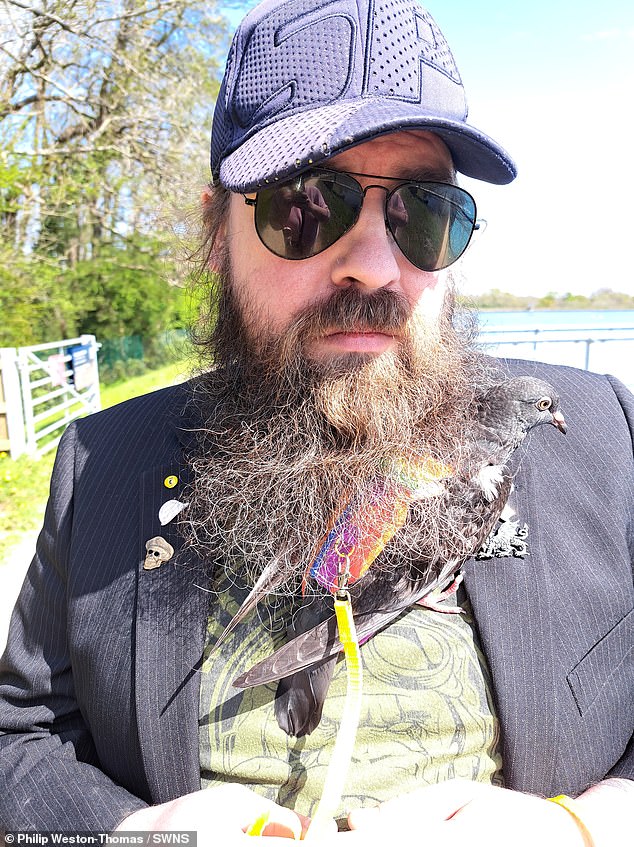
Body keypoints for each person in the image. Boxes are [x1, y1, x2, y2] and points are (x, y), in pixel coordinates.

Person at [0, 0, 632, 844]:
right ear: (216, 233)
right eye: (306, 205)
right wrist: (132, 830)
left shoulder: (607, 436)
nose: (373, 265)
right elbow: (19, 734)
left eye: (425, 212)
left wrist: (585, 828)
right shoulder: (100, 463)